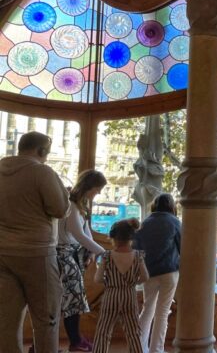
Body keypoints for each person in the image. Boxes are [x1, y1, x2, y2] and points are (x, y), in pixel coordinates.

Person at [0, 131, 69, 353]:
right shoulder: (42, 172)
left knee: (6, 321)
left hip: (3, 252)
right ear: (41, 150)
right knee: (46, 319)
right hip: (37, 254)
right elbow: (59, 209)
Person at [57, 170, 108, 352]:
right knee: (73, 300)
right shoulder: (71, 205)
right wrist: (102, 252)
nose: (99, 192)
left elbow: (86, 231)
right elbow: (78, 234)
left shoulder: (81, 205)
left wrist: (93, 252)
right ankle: (75, 340)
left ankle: (76, 339)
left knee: (74, 300)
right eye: (98, 188)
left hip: (71, 254)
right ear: (89, 186)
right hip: (63, 255)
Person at [92, 218, 149, 353]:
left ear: (113, 237)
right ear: (131, 237)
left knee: (103, 331)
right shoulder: (138, 256)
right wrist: (134, 282)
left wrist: (109, 282)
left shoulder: (107, 256)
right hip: (129, 295)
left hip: (111, 295)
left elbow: (97, 279)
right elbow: (145, 277)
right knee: (133, 332)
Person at [134, 193, 181, 353]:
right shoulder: (174, 222)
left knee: (147, 309)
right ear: (171, 206)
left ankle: (138, 348)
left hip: (148, 272)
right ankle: (157, 349)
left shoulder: (145, 223)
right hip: (169, 272)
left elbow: (136, 249)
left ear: (154, 205)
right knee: (162, 312)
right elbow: (183, 246)